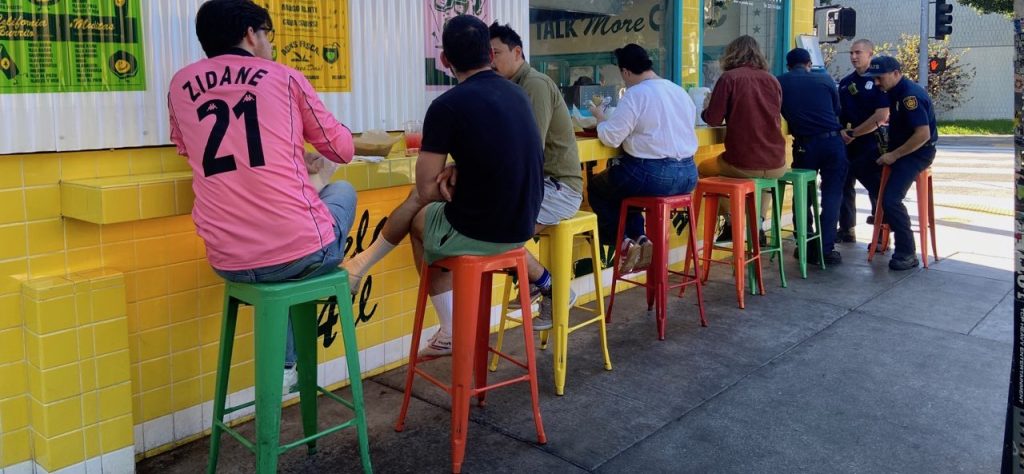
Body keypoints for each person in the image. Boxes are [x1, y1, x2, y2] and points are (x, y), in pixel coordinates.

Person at [167, 0, 357, 391]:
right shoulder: (283, 78)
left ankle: (288, 365)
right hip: (302, 253)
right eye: (267, 35)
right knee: (339, 192)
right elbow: (341, 151)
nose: (269, 45)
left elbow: (189, 150)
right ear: (252, 34)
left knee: (284, 256)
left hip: (227, 261)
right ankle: (338, 290)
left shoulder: (179, 85)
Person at [344, 15, 544, 356]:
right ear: (490, 55)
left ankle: (450, 328)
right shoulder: (518, 94)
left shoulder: (447, 105)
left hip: (487, 231)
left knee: (420, 217)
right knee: (429, 207)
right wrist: (460, 166)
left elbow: (425, 188)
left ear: (445, 61)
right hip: (523, 225)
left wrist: (450, 172)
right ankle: (360, 266)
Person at [489, 22, 584, 330]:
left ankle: (550, 286)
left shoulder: (535, 84)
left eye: (497, 53)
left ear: (517, 52)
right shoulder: (508, 87)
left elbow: (530, 148)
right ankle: (534, 280)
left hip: (559, 188)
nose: (491, 60)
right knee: (487, 228)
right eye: (486, 54)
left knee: (493, 231)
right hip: (537, 185)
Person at [586, 43, 699, 274]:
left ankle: (624, 244)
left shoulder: (635, 94)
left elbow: (611, 138)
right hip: (688, 175)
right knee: (629, 188)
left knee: (599, 186)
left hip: (653, 176)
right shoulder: (678, 91)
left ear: (626, 72)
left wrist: (599, 117)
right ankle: (641, 240)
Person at [699, 35, 787, 241]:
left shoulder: (729, 78)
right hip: (777, 162)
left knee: (703, 168)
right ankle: (758, 225)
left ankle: (730, 222)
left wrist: (706, 108)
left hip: (743, 162)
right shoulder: (772, 80)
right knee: (764, 181)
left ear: (731, 54)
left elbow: (713, 119)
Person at [863, 56, 937, 271]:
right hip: (899, 148)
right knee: (859, 164)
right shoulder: (895, 91)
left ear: (896, 73)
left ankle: (907, 252)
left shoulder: (909, 96)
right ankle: (885, 214)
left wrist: (894, 155)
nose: (877, 83)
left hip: (917, 153)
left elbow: (922, 135)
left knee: (892, 199)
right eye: (874, 78)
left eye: (879, 78)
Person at [776, 48, 847, 265]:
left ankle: (805, 244)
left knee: (803, 195)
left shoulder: (780, 82)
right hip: (832, 142)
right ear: (809, 63)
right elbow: (836, 109)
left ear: (789, 66)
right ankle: (826, 249)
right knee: (832, 195)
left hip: (804, 145)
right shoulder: (825, 79)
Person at [837, 39, 889, 243]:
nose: (853, 57)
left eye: (858, 52)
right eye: (851, 53)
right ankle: (847, 228)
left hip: (870, 144)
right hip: (847, 144)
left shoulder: (878, 81)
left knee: (876, 189)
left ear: (870, 53)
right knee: (843, 186)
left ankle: (881, 234)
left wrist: (855, 133)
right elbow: (838, 112)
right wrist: (842, 131)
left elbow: (882, 114)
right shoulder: (845, 82)